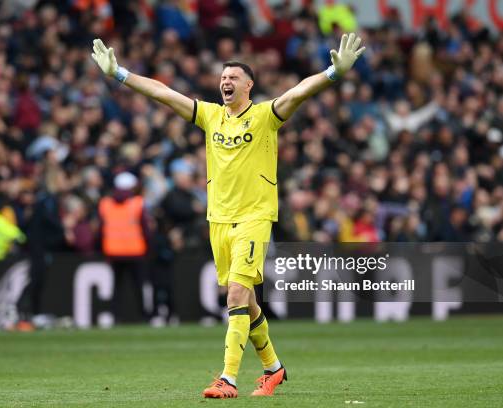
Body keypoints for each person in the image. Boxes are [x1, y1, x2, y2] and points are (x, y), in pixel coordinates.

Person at [91, 33, 365, 398]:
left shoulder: (266, 116)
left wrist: (334, 72)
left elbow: (297, 92)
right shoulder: (210, 116)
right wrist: (119, 74)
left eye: (234, 77)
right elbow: (163, 93)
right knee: (246, 300)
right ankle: (274, 368)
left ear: (249, 85)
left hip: (254, 217)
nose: (226, 81)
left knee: (236, 294)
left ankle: (228, 378)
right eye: (223, 77)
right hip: (218, 220)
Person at [98, 172, 150, 322]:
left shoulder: (105, 203)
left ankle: (115, 316)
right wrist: (150, 248)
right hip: (135, 250)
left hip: (113, 251)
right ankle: (144, 316)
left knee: (116, 287)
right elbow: (145, 229)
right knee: (139, 286)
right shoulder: (137, 203)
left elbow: (101, 230)